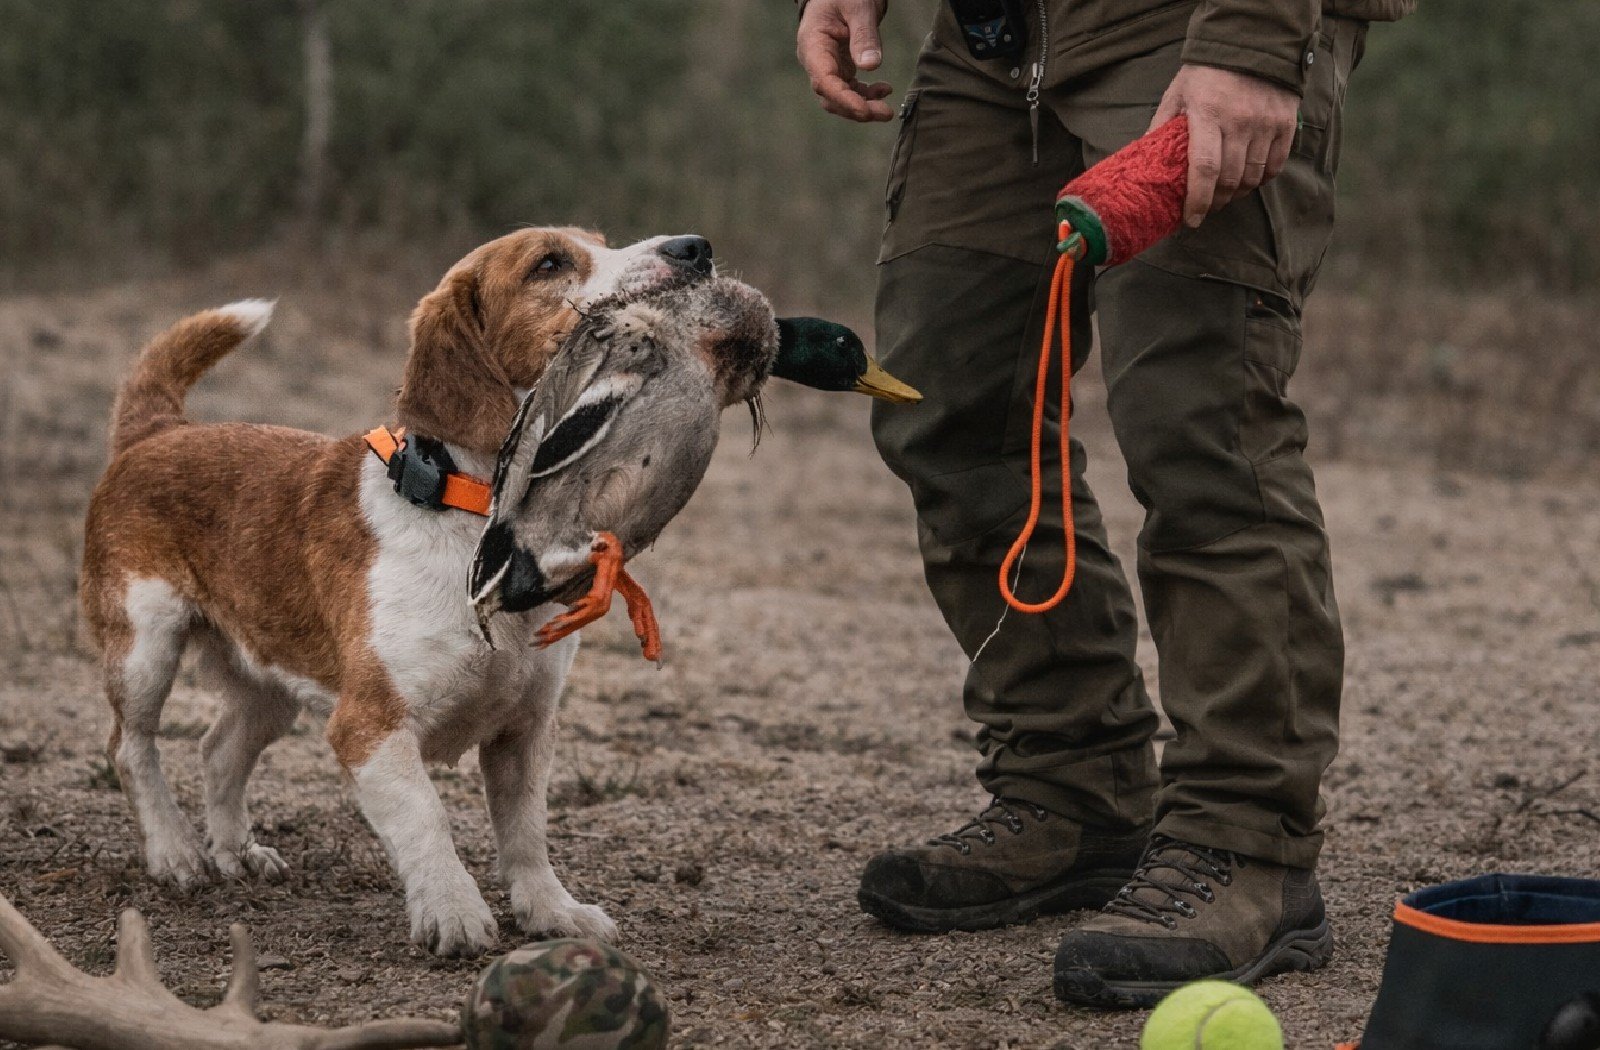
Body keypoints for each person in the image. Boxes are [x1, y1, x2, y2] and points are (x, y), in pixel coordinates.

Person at [794, 0, 1412, 1007]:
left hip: (1189, 24)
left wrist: (1253, 41)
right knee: (946, 408)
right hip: (995, 34)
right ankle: (1072, 786)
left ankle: (1243, 840)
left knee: (1198, 424)